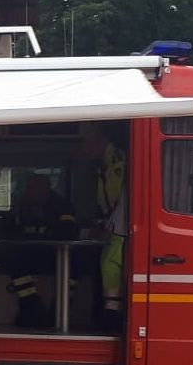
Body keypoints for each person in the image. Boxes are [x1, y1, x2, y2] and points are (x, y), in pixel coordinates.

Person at [8, 174, 77, 328]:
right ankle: (31, 309)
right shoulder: (21, 205)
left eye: (36, 188)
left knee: (74, 268)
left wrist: (49, 234)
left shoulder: (62, 205)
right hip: (29, 253)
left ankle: (57, 315)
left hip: (56, 254)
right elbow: (7, 230)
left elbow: (68, 231)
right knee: (15, 263)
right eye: (30, 188)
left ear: (46, 189)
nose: (32, 192)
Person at [81, 124, 128, 331]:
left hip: (123, 220)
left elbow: (123, 197)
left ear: (99, 140)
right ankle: (108, 311)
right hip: (115, 219)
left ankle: (111, 315)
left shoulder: (116, 160)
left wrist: (110, 224)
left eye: (86, 143)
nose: (84, 149)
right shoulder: (104, 163)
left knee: (110, 262)